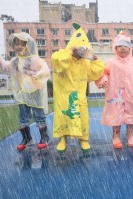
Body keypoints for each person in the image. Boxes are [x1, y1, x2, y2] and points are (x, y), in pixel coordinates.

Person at [0, 32, 51, 151]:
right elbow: (5, 68)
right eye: (16, 43)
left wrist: (38, 74)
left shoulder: (36, 60)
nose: (19, 46)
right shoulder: (15, 61)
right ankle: (27, 138)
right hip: (21, 94)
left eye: (22, 43)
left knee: (39, 116)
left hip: (35, 93)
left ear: (29, 44)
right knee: (23, 117)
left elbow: (46, 70)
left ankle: (44, 137)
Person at [51, 23, 104, 153]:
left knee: (83, 118)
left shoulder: (85, 63)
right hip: (64, 97)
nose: (81, 53)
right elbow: (56, 60)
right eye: (80, 50)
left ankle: (83, 139)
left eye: (84, 50)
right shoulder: (63, 56)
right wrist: (70, 51)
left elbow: (95, 73)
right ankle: (62, 139)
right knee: (63, 117)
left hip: (80, 97)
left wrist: (94, 59)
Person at [96, 32, 133, 149]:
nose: (123, 49)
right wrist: (103, 81)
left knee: (132, 115)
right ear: (115, 48)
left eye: (125, 46)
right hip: (116, 94)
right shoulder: (111, 62)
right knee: (116, 115)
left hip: (132, 94)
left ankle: (130, 136)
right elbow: (103, 73)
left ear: (129, 48)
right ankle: (116, 136)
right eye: (120, 46)